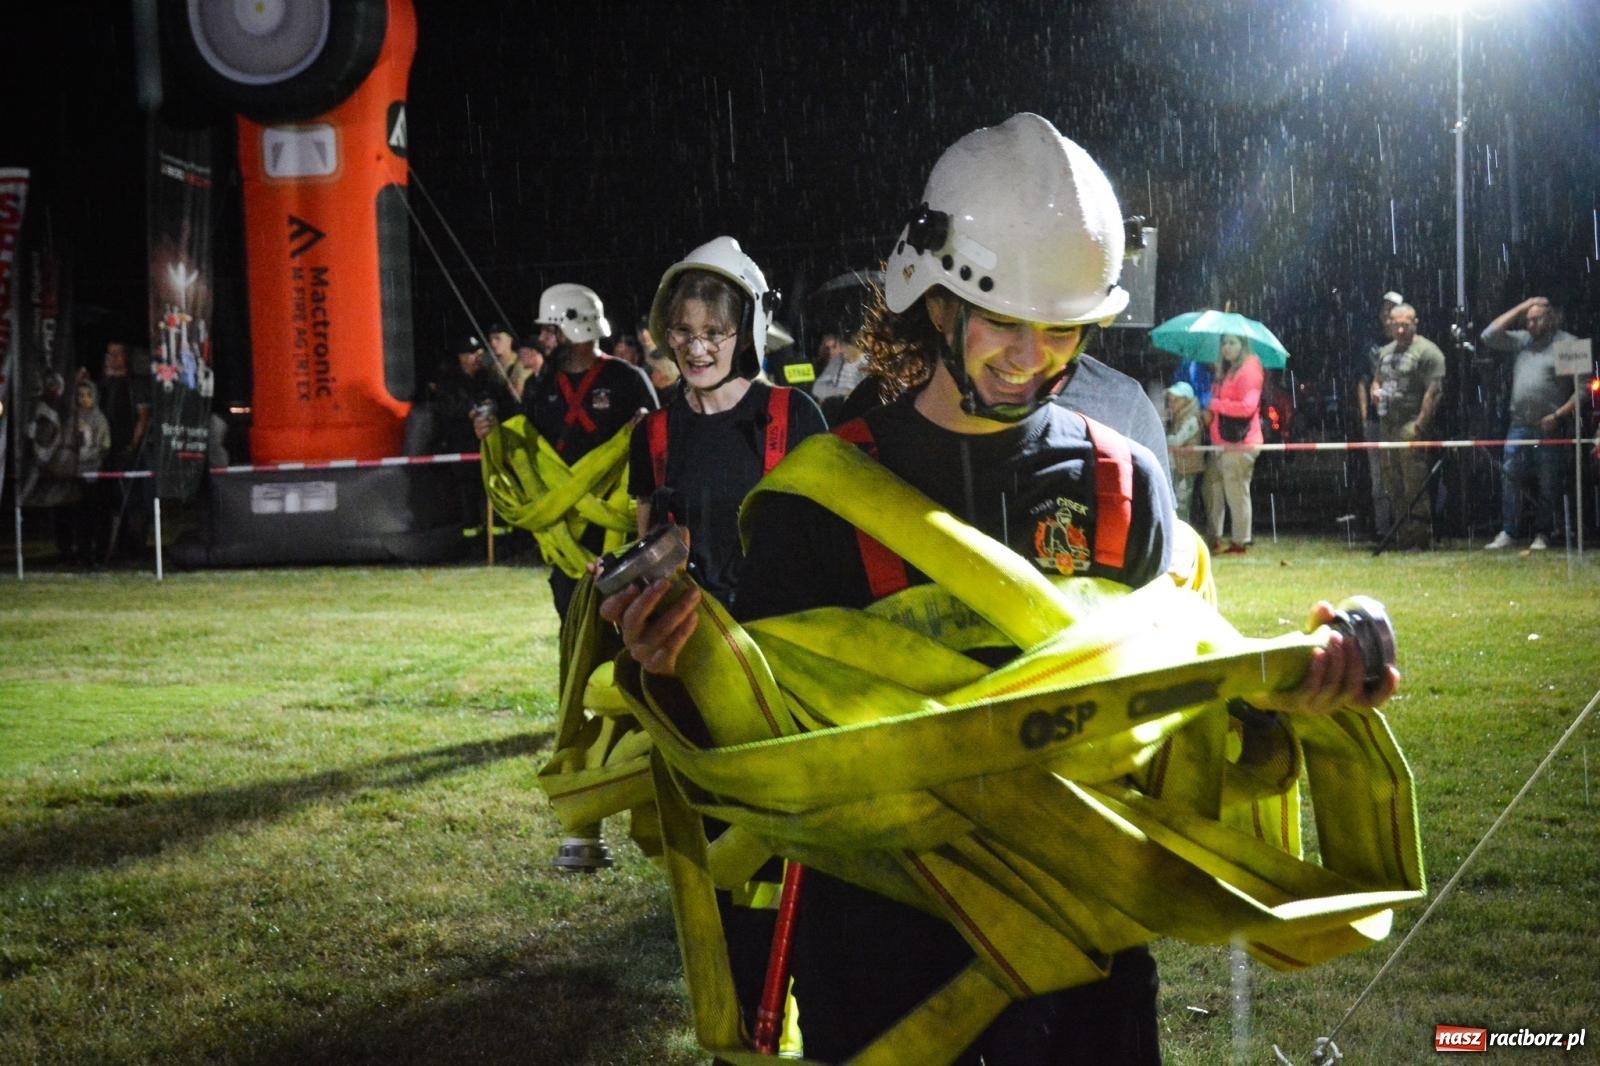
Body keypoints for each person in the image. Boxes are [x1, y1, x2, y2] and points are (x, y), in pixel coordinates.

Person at [602, 112, 1396, 1065]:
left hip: (1089, 968)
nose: (1034, 359)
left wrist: (1300, 686)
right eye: (1005, 325)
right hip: (881, 967)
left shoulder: (1122, 481)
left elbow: (1181, 731)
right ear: (933, 302)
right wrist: (669, 659)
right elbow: (765, 765)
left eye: (1062, 328)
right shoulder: (817, 498)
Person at [476, 283, 658, 616]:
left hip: (616, 531)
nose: (544, 339)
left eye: (550, 330)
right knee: (572, 626)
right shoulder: (539, 386)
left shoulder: (627, 380)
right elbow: (525, 448)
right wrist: (490, 434)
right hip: (563, 535)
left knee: (626, 631)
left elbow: (658, 448)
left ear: (574, 328)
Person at [1480, 296, 1580, 550]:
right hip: (1519, 424)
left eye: (1538, 319)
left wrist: (1559, 415)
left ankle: (1544, 533)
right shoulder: (1522, 341)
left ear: (1552, 318)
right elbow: (1488, 335)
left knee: (1549, 482)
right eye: (1529, 320)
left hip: (1550, 425)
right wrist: (1522, 307)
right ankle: (1509, 531)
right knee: (1510, 477)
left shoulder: (1568, 344)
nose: (1532, 324)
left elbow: (1583, 390)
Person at [1369, 303, 1445, 549]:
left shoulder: (1428, 352)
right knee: (1393, 484)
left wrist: (1420, 425)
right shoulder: (1385, 351)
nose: (1400, 330)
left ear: (1415, 323)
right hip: (1387, 425)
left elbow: (1433, 391)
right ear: (1389, 324)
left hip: (1410, 423)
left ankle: (1420, 538)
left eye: (1405, 324)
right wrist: (1375, 393)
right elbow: (1376, 380)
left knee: (1414, 484)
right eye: (1396, 324)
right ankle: (1403, 536)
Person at [1201, 333, 1263, 554]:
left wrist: (1216, 404)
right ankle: (1215, 538)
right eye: (1224, 343)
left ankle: (1240, 542)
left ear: (1242, 345)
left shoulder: (1249, 369)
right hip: (1222, 443)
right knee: (1214, 490)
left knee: (1236, 493)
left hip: (1241, 444)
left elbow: (1248, 407)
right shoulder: (1226, 371)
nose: (1226, 347)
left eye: (1232, 343)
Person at [1354, 292, 1404, 536]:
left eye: (1393, 310)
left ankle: (1405, 527)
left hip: (1402, 421)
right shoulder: (1371, 345)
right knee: (1378, 479)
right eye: (1385, 310)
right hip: (1376, 421)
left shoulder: (1410, 344)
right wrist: (1365, 416)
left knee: (1401, 474)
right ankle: (1383, 530)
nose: (1387, 315)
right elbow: (1363, 381)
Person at [1164, 381, 1204, 522]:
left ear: (1186, 400)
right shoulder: (1178, 417)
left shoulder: (1192, 419)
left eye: (1176, 400)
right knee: (1176, 502)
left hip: (1187, 467)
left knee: (1182, 505)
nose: (1171, 403)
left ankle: (1182, 535)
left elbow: (1176, 441)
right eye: (1170, 400)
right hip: (1179, 466)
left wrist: (1160, 435)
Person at [808, 333, 868, 422]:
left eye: (834, 347)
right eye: (827, 348)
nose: (830, 352)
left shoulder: (860, 361)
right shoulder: (825, 366)